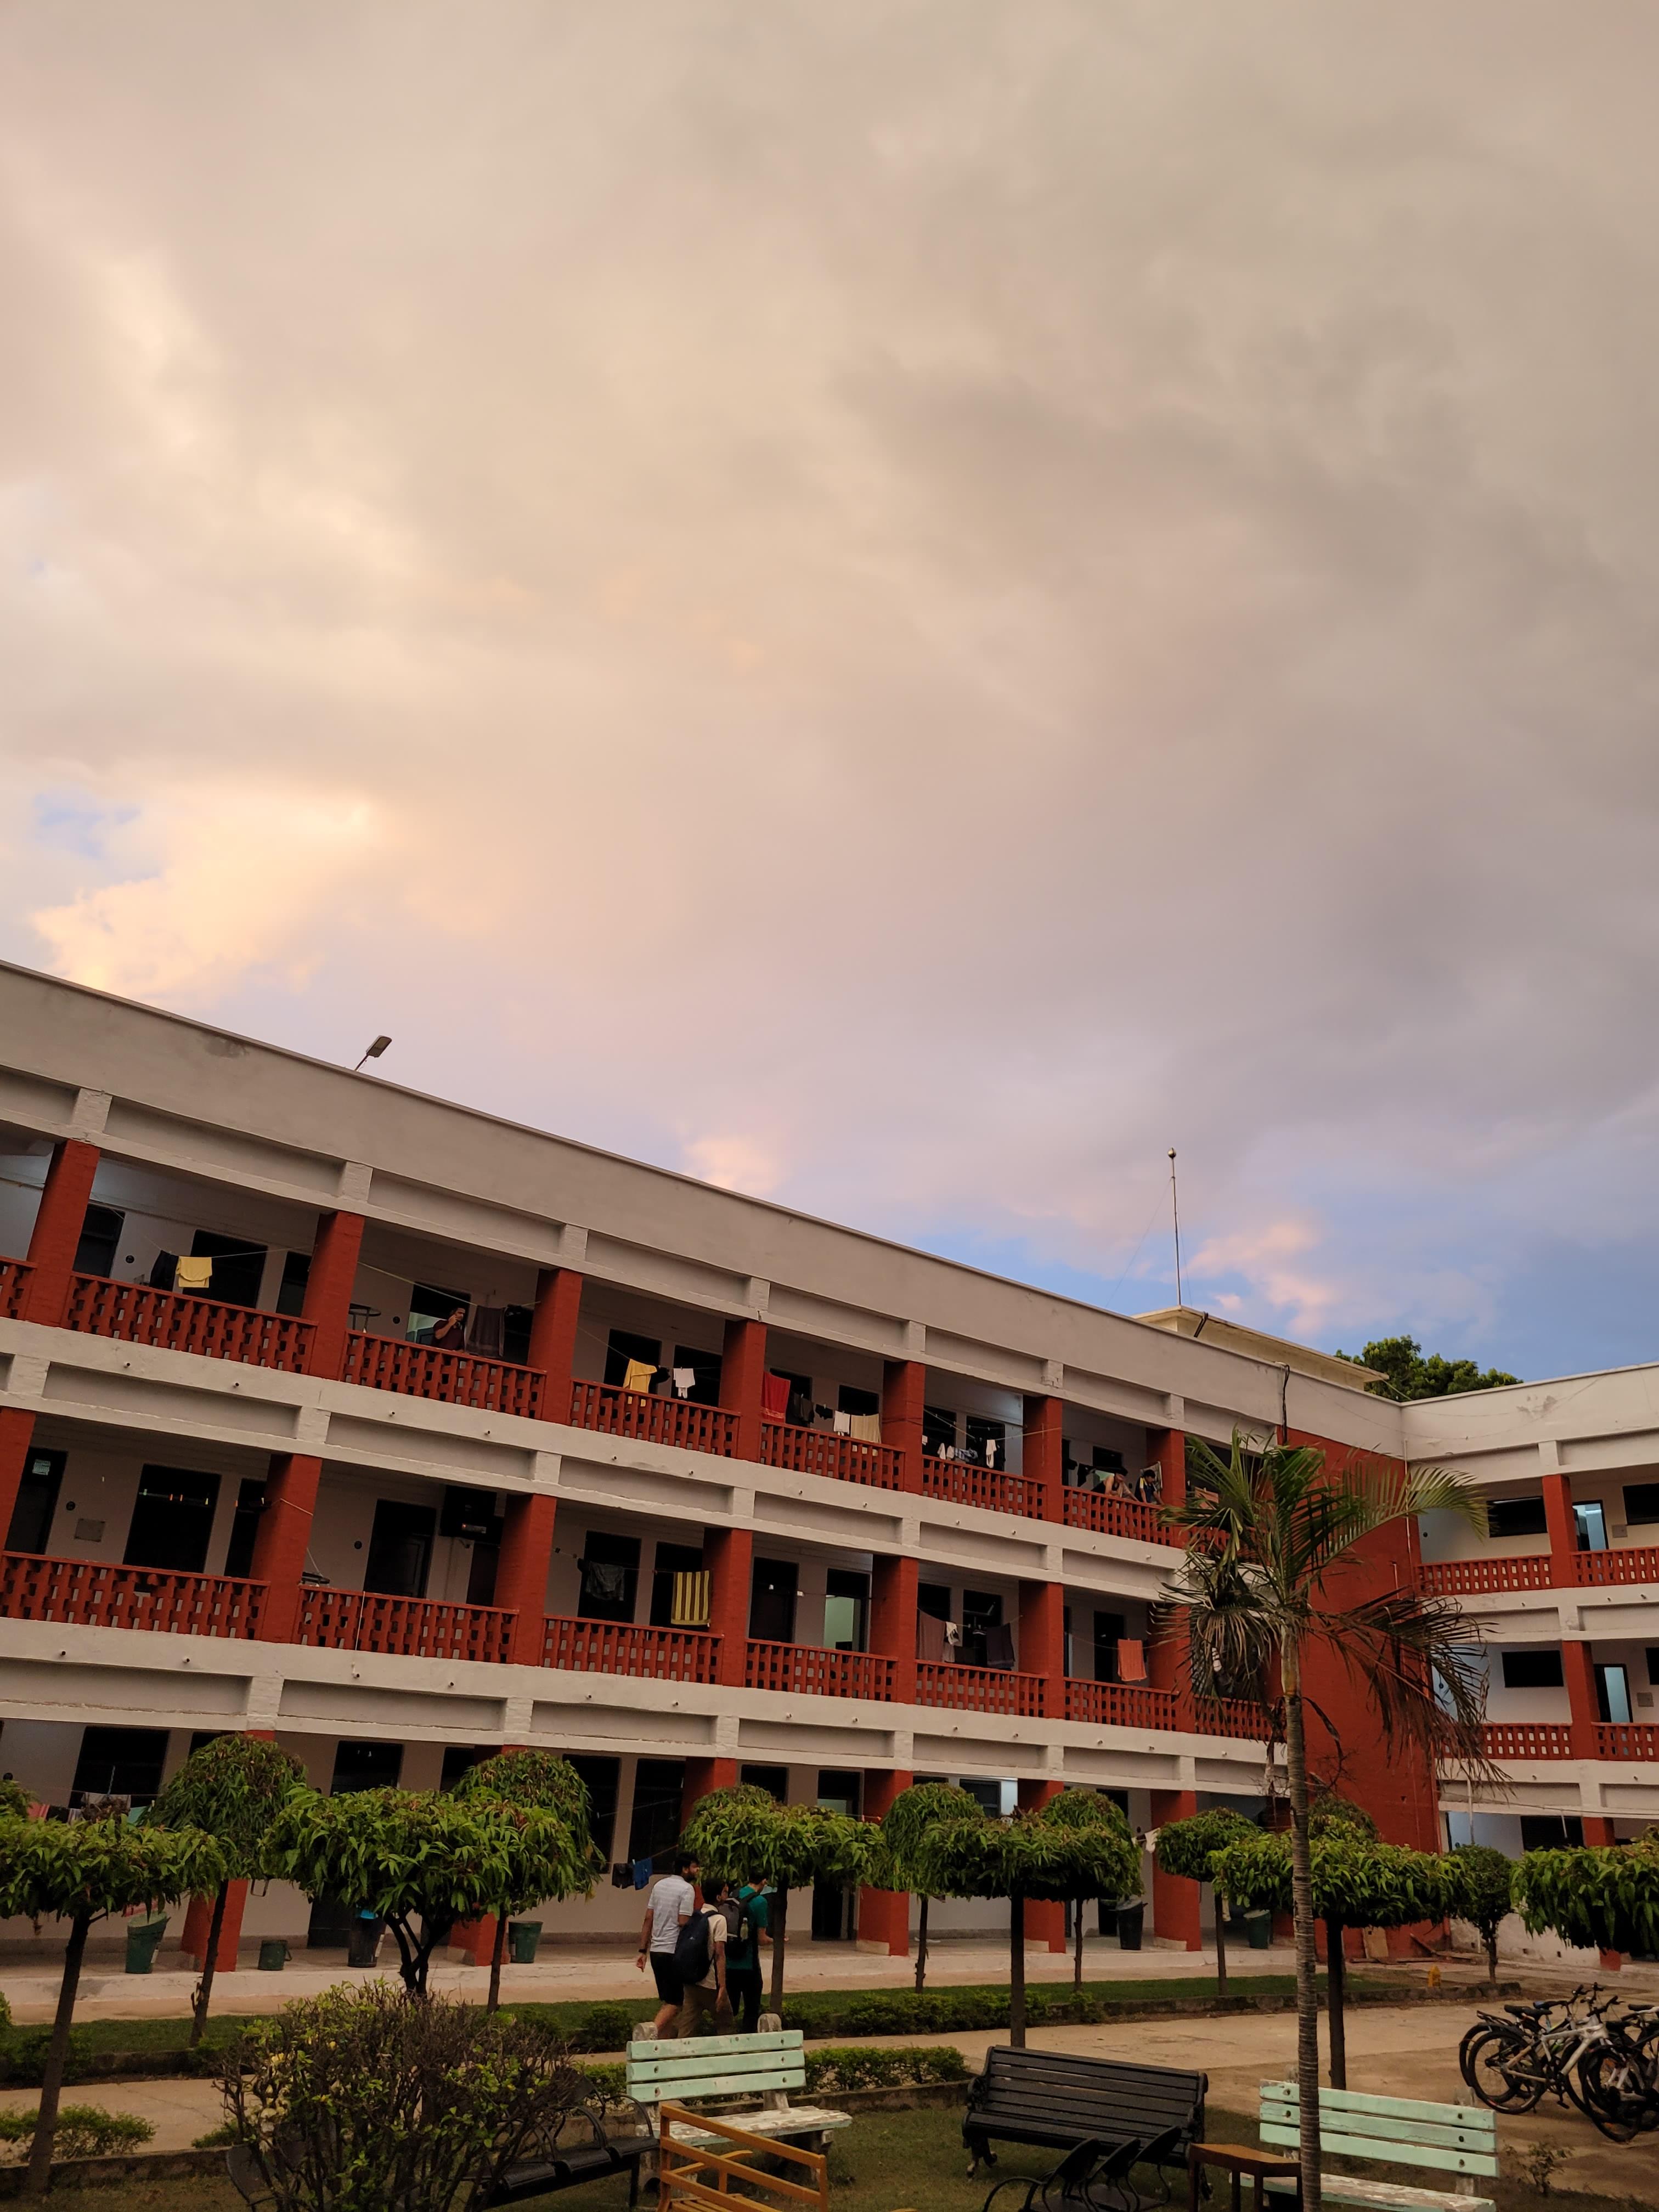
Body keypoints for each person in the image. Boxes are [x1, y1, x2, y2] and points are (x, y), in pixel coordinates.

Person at [635, 1850, 698, 2035]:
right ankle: (648, 2034)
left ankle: (663, 2044)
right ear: (685, 1869)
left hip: (656, 1951)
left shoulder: (659, 1885)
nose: (697, 1871)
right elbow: (683, 1921)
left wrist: (642, 1950)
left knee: (668, 2001)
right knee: (676, 2002)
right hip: (674, 1952)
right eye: (695, 1867)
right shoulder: (687, 1889)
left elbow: (648, 1918)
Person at [674, 1875, 732, 2038]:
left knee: (686, 2028)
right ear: (718, 1897)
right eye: (725, 1892)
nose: (727, 1895)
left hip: (691, 1980)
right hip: (710, 1983)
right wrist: (722, 1987)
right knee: (726, 2021)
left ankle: (680, 2052)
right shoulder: (719, 1920)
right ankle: (726, 2052)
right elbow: (720, 1954)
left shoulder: (696, 1916)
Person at [723, 1879, 770, 2034]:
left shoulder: (734, 1894)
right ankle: (747, 2040)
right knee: (751, 2009)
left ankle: (727, 2037)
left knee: (730, 2009)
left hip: (729, 1961)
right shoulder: (760, 1901)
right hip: (748, 1963)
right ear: (763, 1881)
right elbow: (762, 1939)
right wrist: (776, 1940)